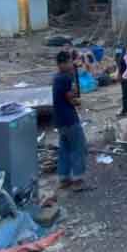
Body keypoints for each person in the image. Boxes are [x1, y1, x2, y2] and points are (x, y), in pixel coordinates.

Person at [52, 50, 89, 191]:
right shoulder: (65, 78)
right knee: (78, 147)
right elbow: (71, 99)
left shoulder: (57, 77)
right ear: (63, 63)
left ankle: (64, 178)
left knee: (65, 149)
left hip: (59, 120)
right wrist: (78, 101)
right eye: (69, 62)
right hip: (69, 119)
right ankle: (78, 180)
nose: (71, 64)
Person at [115, 45, 127, 116]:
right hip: (124, 76)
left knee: (125, 93)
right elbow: (119, 67)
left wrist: (124, 77)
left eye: (119, 49)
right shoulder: (118, 56)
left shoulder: (126, 56)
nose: (117, 51)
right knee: (125, 92)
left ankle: (125, 110)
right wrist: (117, 75)